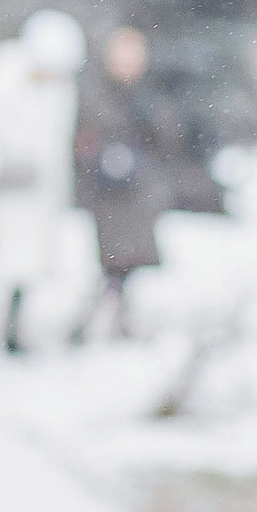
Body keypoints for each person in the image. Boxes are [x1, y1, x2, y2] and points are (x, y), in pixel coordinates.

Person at [0, 9, 86, 355]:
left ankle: (17, 323)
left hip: (39, 193)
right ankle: (10, 326)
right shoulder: (4, 73)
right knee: (11, 260)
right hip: (7, 187)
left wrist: (59, 191)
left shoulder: (62, 89)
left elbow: (57, 144)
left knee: (33, 263)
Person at [70, 25, 182, 343]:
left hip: (138, 193)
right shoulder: (95, 95)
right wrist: (101, 158)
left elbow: (167, 139)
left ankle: (106, 319)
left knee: (127, 263)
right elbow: (82, 139)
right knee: (112, 262)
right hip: (107, 194)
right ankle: (101, 320)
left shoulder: (149, 97)